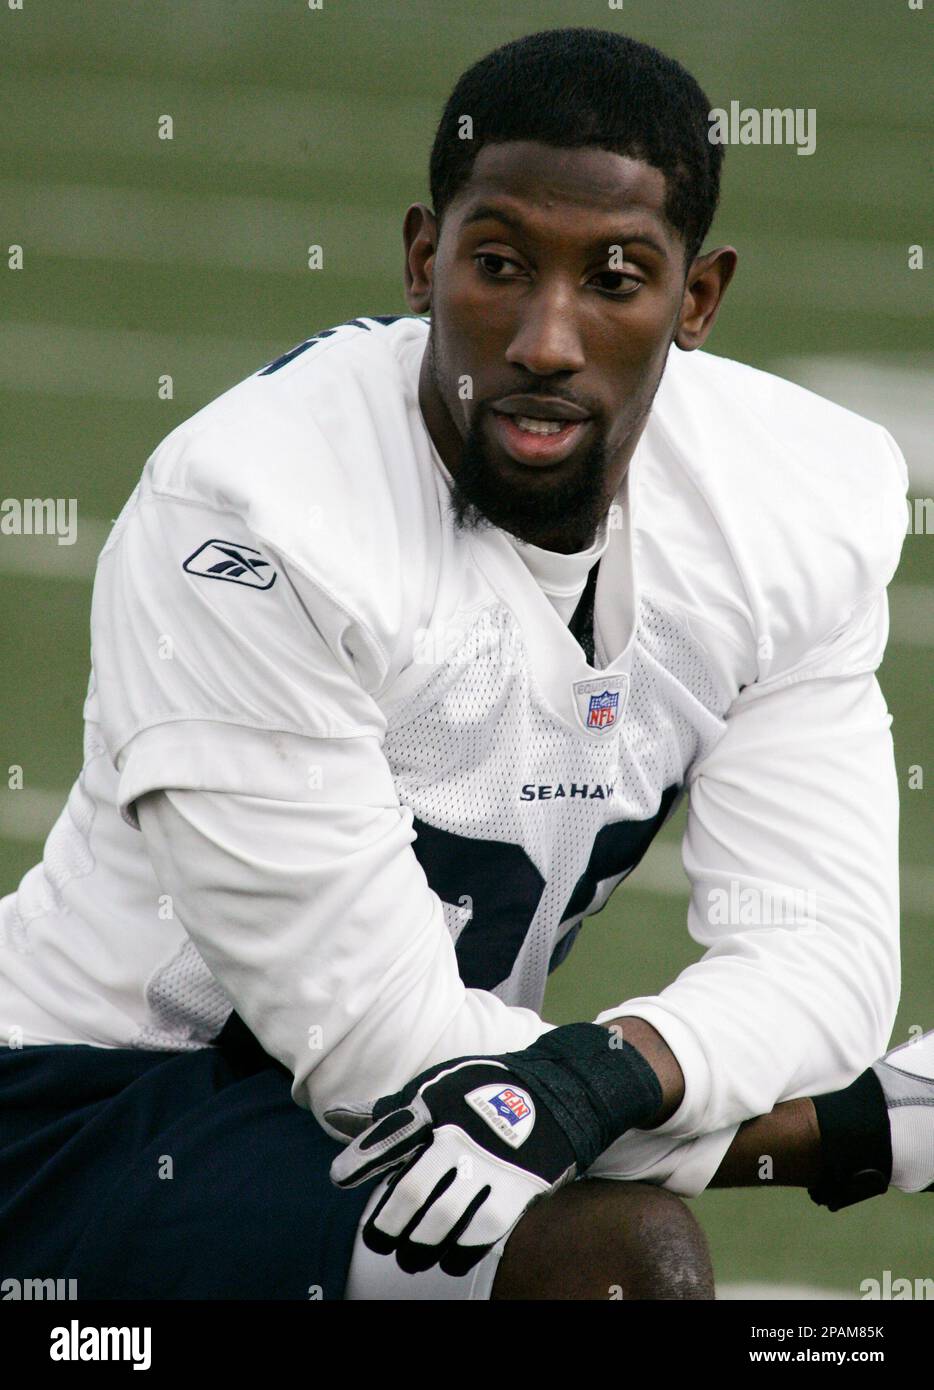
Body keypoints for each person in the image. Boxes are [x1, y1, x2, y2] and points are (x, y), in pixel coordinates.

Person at [0, 27, 929, 1302]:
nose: (547, 339)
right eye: (498, 267)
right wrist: (828, 1135)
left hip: (445, 1123)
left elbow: (815, 963)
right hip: (96, 1114)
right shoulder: (256, 514)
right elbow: (370, 1044)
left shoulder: (788, 503)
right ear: (424, 260)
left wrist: (589, 1084)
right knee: (614, 1272)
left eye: (615, 279)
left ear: (697, 299)